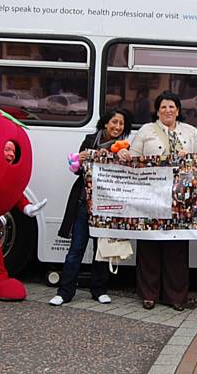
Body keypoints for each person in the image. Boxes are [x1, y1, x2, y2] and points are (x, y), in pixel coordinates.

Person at [123, 90, 197, 311]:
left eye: (172, 106)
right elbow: (133, 156)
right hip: (150, 195)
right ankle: (148, 294)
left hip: (179, 198)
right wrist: (124, 155)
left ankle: (176, 296)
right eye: (163, 107)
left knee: (176, 246)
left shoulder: (191, 131)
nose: (168, 110)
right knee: (149, 244)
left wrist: (191, 158)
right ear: (157, 110)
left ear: (178, 110)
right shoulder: (146, 130)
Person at [50, 107, 133, 306]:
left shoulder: (125, 147)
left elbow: (127, 176)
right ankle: (65, 291)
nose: (117, 127)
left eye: (121, 124)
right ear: (105, 123)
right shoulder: (89, 140)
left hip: (107, 207)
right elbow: (75, 169)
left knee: (102, 250)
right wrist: (80, 159)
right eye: (114, 122)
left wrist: (123, 156)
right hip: (83, 204)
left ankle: (99, 290)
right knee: (76, 248)